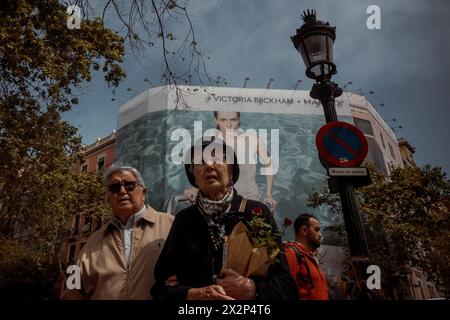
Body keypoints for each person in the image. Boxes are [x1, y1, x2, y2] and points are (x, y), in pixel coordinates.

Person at [152, 139, 298, 300]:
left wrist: (253, 289)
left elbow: (285, 285)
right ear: (193, 177)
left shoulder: (255, 215)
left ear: (231, 172)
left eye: (218, 159)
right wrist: (192, 294)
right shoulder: (185, 220)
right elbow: (161, 288)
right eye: (200, 162)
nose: (209, 165)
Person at [61, 165, 174, 300]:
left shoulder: (171, 224)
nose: (122, 190)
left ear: (143, 193)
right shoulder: (93, 242)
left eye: (129, 185)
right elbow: (72, 289)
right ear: (108, 198)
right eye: (115, 187)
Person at [184, 111, 277, 210]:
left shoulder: (253, 140)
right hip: (219, 200)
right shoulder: (208, 143)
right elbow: (201, 167)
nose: (228, 125)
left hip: (249, 198)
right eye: (223, 120)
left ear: (239, 119)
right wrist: (195, 188)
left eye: (233, 119)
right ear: (216, 120)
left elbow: (269, 164)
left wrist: (269, 195)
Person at [285, 213, 329, 300]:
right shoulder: (291, 254)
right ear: (305, 230)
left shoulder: (310, 256)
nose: (320, 234)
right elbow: (285, 290)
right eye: (316, 230)